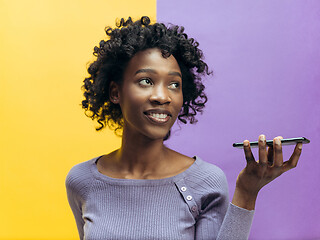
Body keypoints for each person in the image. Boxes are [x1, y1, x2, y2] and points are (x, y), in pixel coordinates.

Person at [66, 16, 303, 240]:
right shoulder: (82, 181)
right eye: (146, 81)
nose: (163, 96)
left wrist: (247, 192)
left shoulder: (205, 181)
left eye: (174, 84)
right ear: (115, 92)